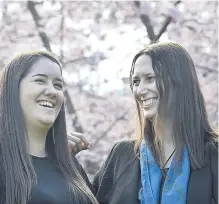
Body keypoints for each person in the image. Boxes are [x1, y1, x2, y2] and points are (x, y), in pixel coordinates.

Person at [68, 42, 218, 204]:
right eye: (136, 82)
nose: (140, 90)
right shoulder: (122, 155)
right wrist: (66, 161)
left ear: (180, 81)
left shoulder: (213, 155)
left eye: (150, 79)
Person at [0, 51, 98, 204]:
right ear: (13, 89)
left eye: (58, 85)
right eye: (40, 80)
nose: (52, 91)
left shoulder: (70, 165)